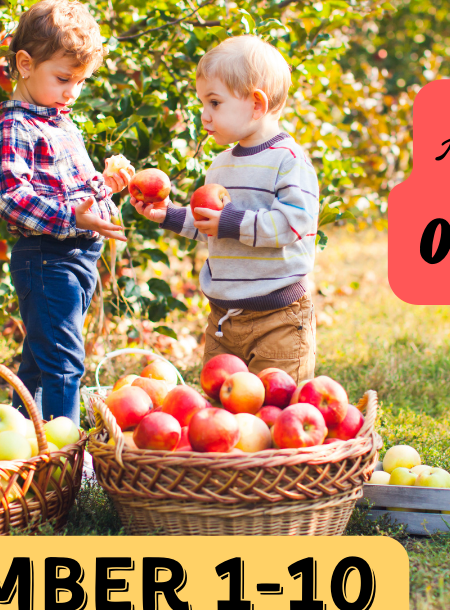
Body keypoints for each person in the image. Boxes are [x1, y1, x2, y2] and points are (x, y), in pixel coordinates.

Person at [0, 0, 133, 424]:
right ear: (25, 64)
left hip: (77, 260)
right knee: (65, 361)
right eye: (65, 78)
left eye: (81, 82)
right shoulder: (15, 128)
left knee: (40, 357)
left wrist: (107, 186)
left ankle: (19, 436)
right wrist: (72, 219)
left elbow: (75, 195)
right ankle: (63, 453)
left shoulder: (59, 120)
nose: (73, 92)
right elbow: (11, 197)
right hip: (47, 260)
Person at [133, 35, 319, 381]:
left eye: (214, 103)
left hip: (277, 316)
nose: (204, 115)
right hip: (223, 318)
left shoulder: (288, 161)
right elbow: (215, 229)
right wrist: (170, 215)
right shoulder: (220, 164)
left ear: (256, 104)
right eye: (203, 103)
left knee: (276, 413)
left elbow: (295, 224)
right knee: (220, 413)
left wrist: (230, 222)